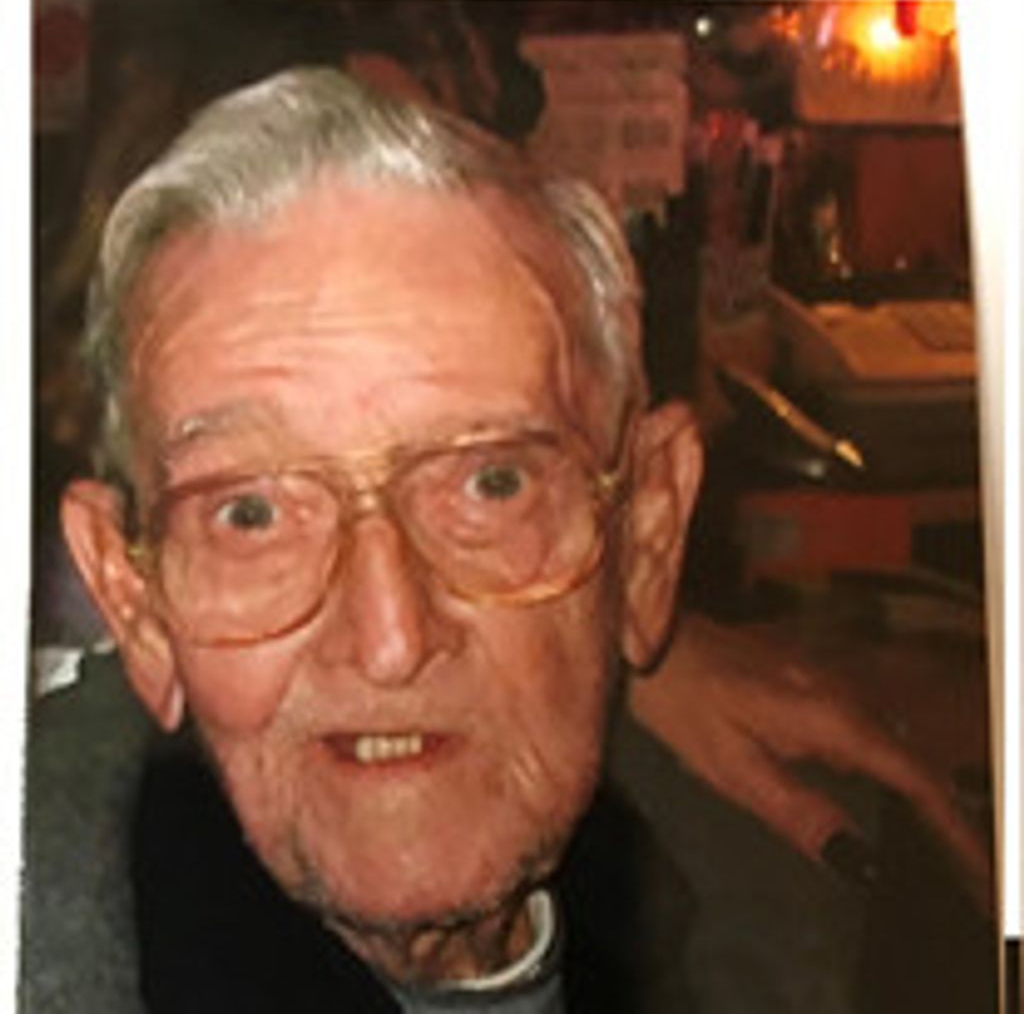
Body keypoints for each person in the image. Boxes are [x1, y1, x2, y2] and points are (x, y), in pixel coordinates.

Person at [25, 65, 992, 1014]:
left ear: (649, 535)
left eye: (491, 483)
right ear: (131, 599)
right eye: (251, 513)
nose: (390, 638)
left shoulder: (854, 929)